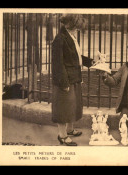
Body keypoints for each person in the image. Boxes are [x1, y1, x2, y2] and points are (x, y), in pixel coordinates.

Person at [51, 14, 94, 146]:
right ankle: (62, 135)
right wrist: (63, 83)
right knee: (63, 107)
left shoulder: (71, 37)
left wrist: (91, 61)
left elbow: (75, 56)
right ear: (70, 25)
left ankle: (69, 130)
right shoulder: (60, 39)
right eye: (77, 27)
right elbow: (58, 63)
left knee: (73, 105)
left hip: (74, 77)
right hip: (66, 79)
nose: (78, 29)